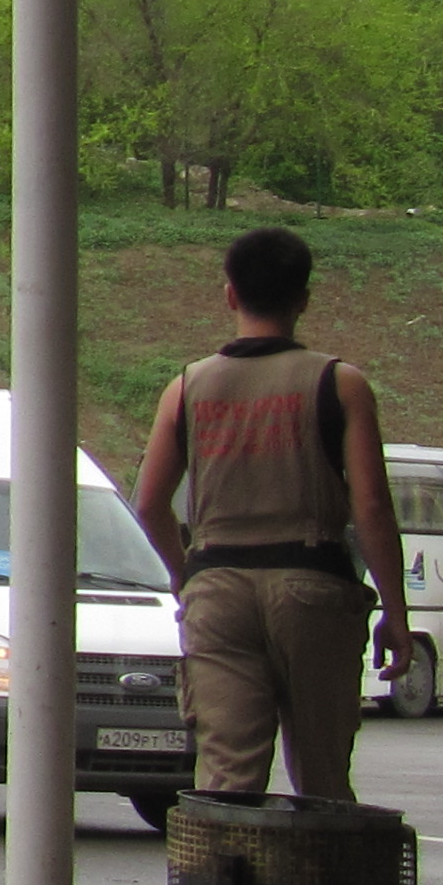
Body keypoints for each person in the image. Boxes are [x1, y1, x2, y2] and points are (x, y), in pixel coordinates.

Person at [132, 225, 411, 803]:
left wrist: (187, 575)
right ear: (304, 298)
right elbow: (373, 508)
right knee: (323, 776)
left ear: (230, 294)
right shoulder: (340, 384)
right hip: (312, 588)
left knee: (226, 781)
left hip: (218, 589)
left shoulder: (186, 388)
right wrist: (396, 613)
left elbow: (150, 504)